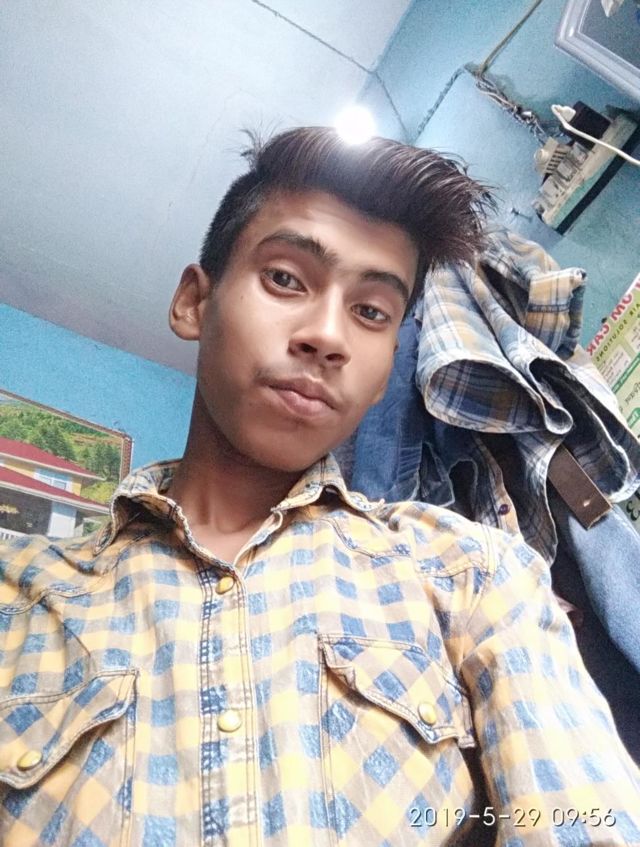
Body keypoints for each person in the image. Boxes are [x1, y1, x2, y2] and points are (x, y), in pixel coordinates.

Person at [0, 127, 638, 847]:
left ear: (386, 368)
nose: (328, 336)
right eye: (284, 278)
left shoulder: (472, 574)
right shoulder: (19, 600)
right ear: (193, 302)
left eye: (371, 312)